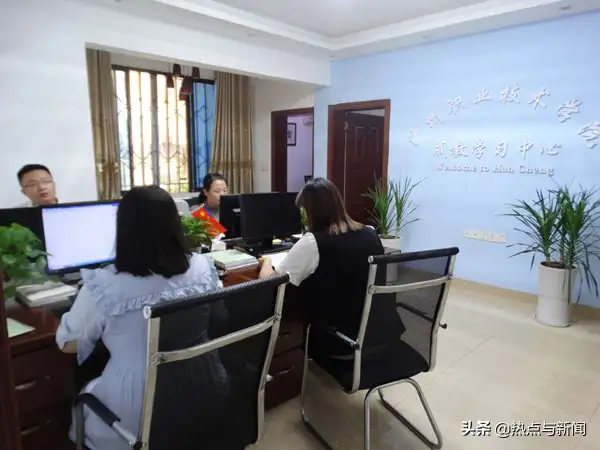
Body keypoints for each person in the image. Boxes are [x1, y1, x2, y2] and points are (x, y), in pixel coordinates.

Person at [55, 186, 228, 450]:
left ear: (124, 230)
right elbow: (219, 315)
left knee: (86, 391)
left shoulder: (104, 286)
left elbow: (69, 345)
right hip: (205, 387)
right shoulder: (202, 267)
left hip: (140, 406)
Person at [259, 177, 405, 353]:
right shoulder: (370, 233)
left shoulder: (313, 242)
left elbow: (267, 284)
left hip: (338, 339)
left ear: (311, 211)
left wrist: (266, 261)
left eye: (303, 211)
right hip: (379, 332)